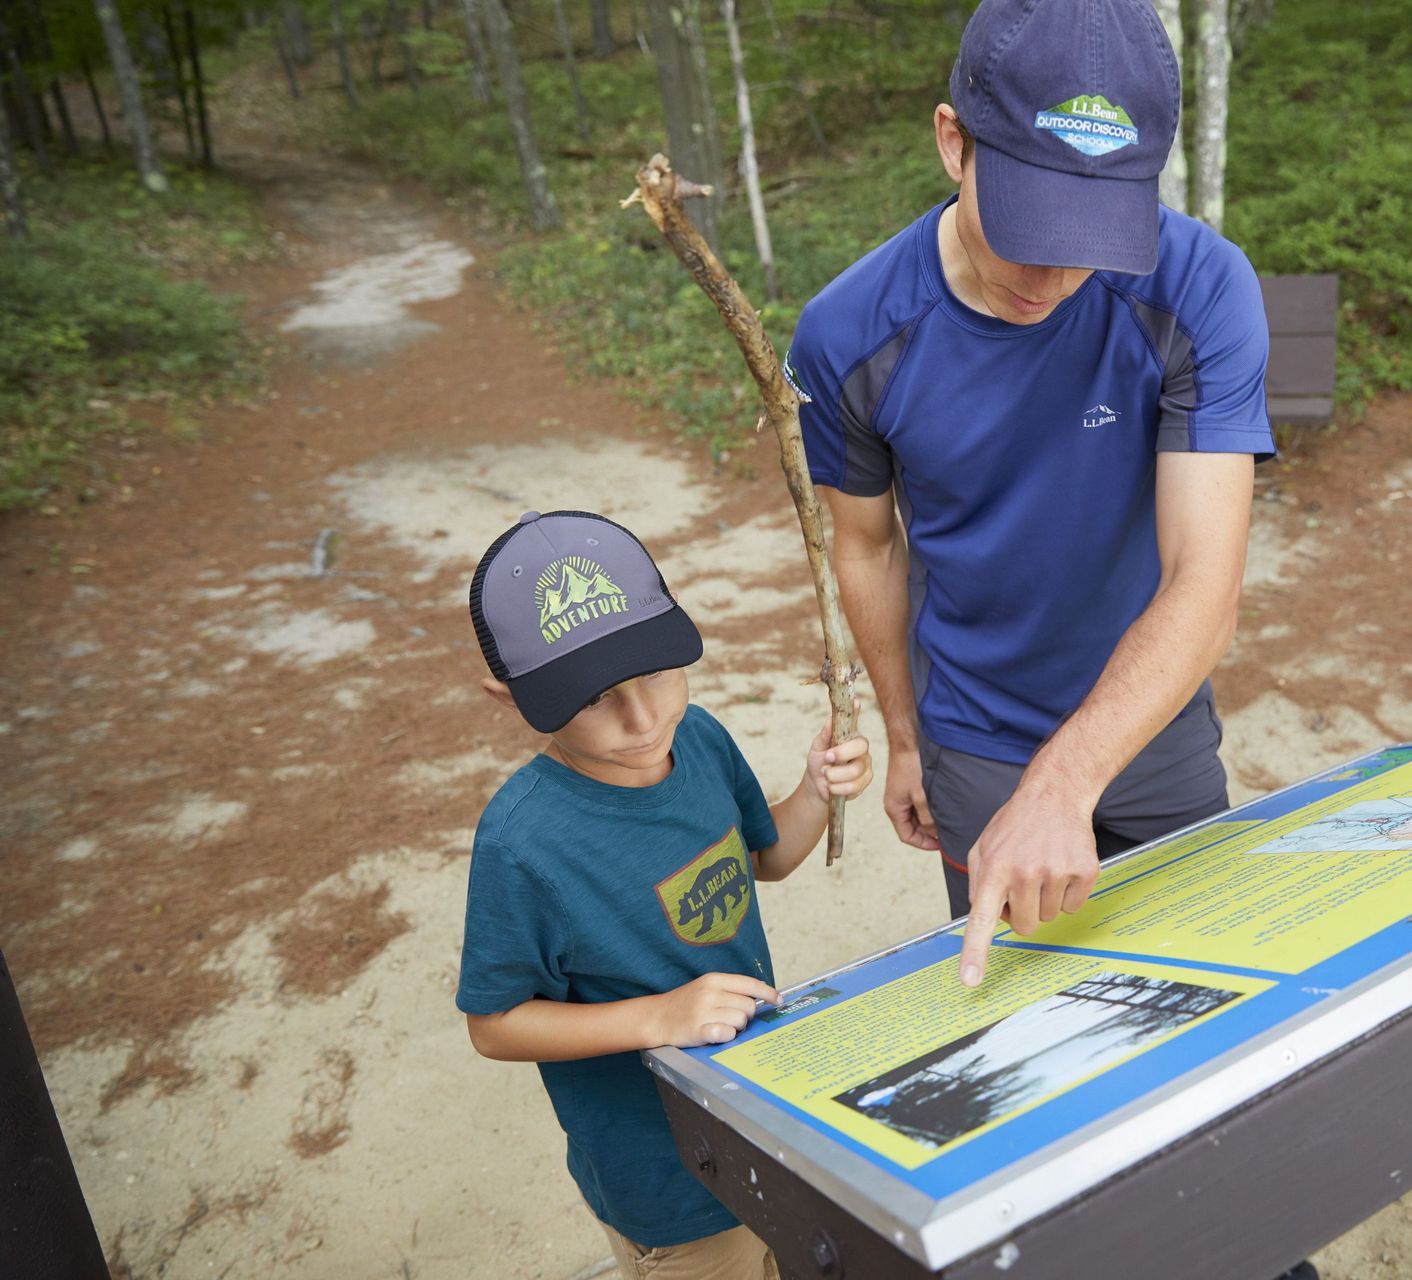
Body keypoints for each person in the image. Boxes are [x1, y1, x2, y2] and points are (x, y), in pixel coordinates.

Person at [785, 0, 1270, 990]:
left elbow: (1204, 585)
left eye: (1092, 234)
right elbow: (868, 546)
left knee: (1204, 996)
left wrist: (1068, 778)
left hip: (1156, 720)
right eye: (1029, 227)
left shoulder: (1201, 288)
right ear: (952, 142)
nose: (1052, 276)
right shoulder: (848, 336)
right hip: (977, 733)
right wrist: (909, 737)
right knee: (1028, 1023)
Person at [455, 509, 873, 1280]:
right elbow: (495, 1023)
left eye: (653, 671)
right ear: (509, 695)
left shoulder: (701, 738)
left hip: (766, 1115)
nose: (642, 718)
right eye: (593, 698)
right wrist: (661, 1019)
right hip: (669, 1180)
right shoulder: (523, 842)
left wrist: (815, 792)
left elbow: (765, 857)